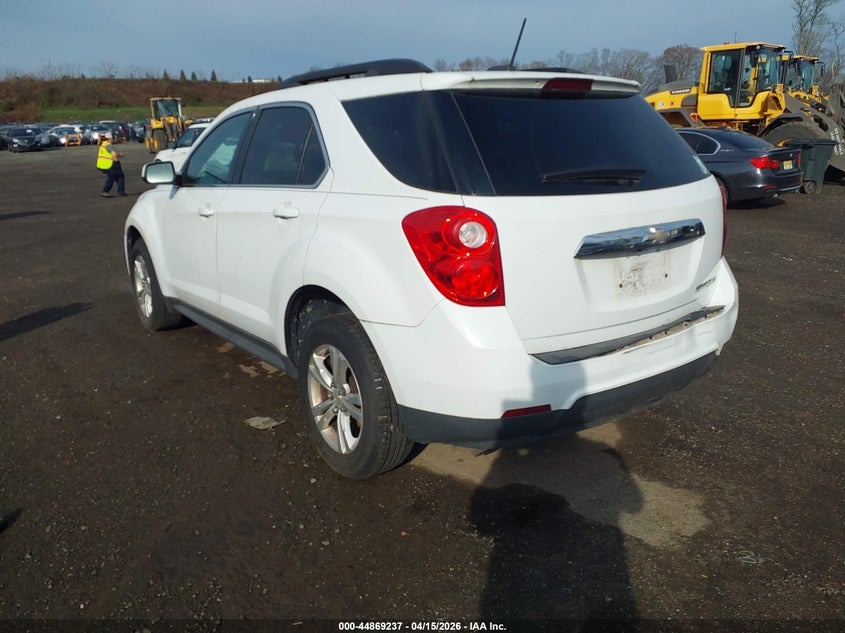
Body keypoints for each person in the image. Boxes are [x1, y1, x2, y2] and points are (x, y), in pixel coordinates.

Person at [97, 133, 126, 197]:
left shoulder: (103, 144)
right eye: (113, 138)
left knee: (120, 176)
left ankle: (121, 191)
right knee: (112, 177)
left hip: (106, 164)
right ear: (110, 138)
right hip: (112, 164)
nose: (113, 139)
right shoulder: (109, 145)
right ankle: (105, 191)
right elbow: (114, 154)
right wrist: (121, 154)